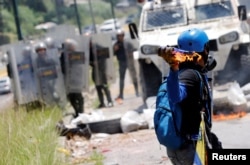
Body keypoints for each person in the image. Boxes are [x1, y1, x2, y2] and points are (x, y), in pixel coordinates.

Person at [159, 28, 216, 164]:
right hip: (188, 148)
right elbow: (175, 96)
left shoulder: (190, 72)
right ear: (205, 50)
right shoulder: (189, 75)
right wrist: (173, 68)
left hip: (188, 144)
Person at [113, 29, 139, 104]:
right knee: (121, 79)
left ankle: (137, 91)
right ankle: (121, 94)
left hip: (129, 62)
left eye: (121, 36)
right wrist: (115, 50)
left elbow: (134, 49)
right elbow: (112, 54)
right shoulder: (116, 44)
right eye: (118, 36)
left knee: (133, 76)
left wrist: (131, 52)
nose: (120, 37)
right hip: (122, 63)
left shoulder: (127, 43)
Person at [60, 39, 84, 118]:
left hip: (76, 78)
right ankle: (77, 111)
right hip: (68, 79)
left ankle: (81, 111)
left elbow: (81, 65)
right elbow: (62, 67)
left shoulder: (76, 54)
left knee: (79, 96)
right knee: (71, 97)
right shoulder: (63, 56)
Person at [89, 40, 113, 108]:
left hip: (102, 70)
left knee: (105, 86)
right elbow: (88, 60)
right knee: (98, 87)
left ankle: (110, 101)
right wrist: (92, 63)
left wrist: (98, 62)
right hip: (95, 70)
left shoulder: (98, 47)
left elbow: (105, 56)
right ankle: (102, 103)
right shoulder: (89, 50)